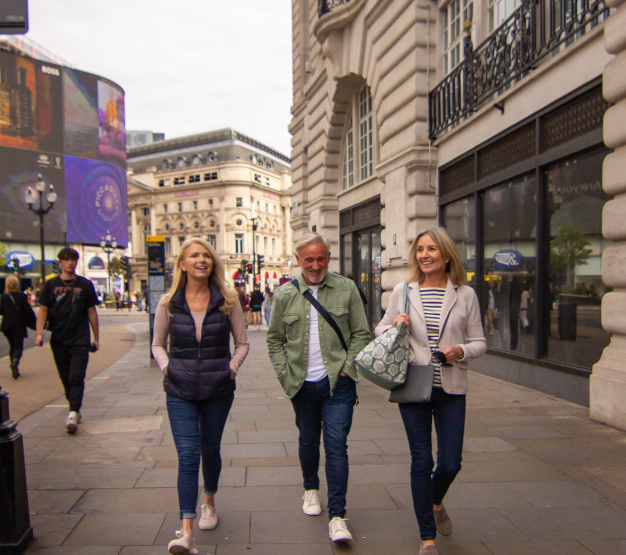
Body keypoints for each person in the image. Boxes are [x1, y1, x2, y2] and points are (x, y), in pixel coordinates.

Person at [374, 228, 487, 555]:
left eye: (432, 249)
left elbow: (480, 342)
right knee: (421, 461)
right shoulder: (403, 290)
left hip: (451, 387)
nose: (424, 255)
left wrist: (461, 351)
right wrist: (395, 325)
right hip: (413, 383)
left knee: (451, 462)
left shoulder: (465, 294)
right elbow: (379, 329)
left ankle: (435, 502)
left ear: (446, 255)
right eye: (420, 249)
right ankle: (427, 538)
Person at [266, 234, 371, 543]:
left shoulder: (346, 288)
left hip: (338, 383)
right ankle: (310, 487)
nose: (315, 265)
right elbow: (274, 340)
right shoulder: (284, 294)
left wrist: (348, 369)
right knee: (309, 440)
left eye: (320, 258)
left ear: (328, 257)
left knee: (337, 446)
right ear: (298, 260)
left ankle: (338, 516)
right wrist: (285, 375)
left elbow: (361, 333)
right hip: (301, 383)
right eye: (308, 259)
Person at [152, 239, 249, 555]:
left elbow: (242, 343)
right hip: (179, 389)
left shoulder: (228, 300)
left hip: (217, 388)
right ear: (182, 264)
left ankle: (209, 499)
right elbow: (157, 344)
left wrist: (231, 368)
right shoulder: (168, 303)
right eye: (194, 255)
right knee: (188, 455)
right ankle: (186, 533)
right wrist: (167, 367)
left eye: (207, 255)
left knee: (210, 448)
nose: (202, 259)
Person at [36, 246, 100, 434]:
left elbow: (91, 311)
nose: (70, 263)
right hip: (58, 338)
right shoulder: (50, 285)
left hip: (80, 338)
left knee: (76, 376)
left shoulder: (85, 285)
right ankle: (74, 407)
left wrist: (96, 337)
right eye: (66, 259)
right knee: (65, 376)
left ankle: (73, 411)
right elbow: (43, 309)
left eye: (73, 259)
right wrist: (39, 333)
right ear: (60, 262)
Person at [0, 274, 36, 379]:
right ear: (17, 284)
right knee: (18, 347)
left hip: (7, 326)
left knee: (12, 346)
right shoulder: (22, 297)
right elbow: (28, 311)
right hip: (18, 325)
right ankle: (15, 362)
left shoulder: (4, 297)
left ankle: (14, 367)